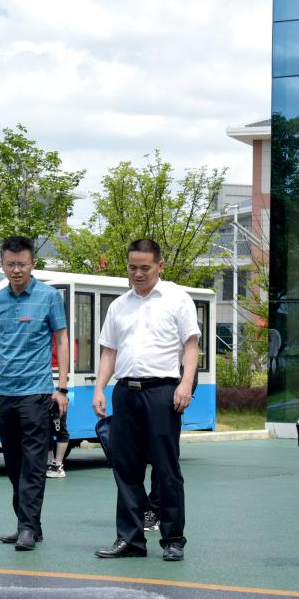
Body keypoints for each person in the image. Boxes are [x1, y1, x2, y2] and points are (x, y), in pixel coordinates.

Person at [92, 238, 200, 562]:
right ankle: (130, 540)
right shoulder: (118, 305)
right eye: (132, 267)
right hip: (125, 393)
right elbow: (109, 351)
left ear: (159, 266)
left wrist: (186, 385)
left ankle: (173, 539)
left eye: (144, 268)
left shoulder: (177, 299)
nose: (137, 274)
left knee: (166, 470)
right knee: (125, 469)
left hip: (163, 393)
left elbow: (191, 346)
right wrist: (100, 388)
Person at [0, 236, 70, 551]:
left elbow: (61, 340)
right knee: (13, 463)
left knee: (33, 463)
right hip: (4, 393)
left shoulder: (48, 297)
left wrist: (61, 387)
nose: (16, 270)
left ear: (32, 264)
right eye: (10, 264)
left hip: (36, 394)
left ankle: (28, 528)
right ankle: (28, 524)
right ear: (2, 265)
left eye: (22, 264)